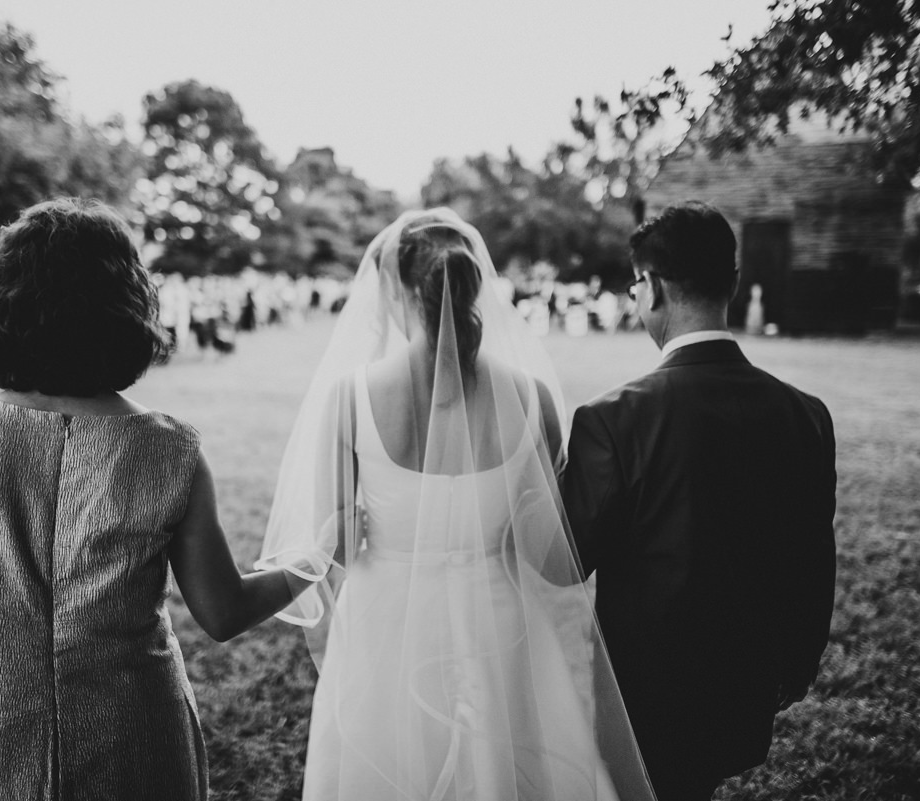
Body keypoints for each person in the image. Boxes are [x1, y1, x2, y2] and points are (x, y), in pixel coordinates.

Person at [0, 198, 310, 801]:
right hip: (137, 747)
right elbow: (223, 614)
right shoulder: (170, 450)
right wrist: (318, 557)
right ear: (125, 307)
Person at [256, 208, 656, 801]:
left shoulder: (350, 398)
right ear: (476, 287)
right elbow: (551, 548)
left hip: (383, 619)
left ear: (394, 288)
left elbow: (335, 543)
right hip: (499, 616)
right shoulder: (532, 397)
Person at [561, 201, 837, 801]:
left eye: (636, 287)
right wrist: (797, 662)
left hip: (645, 692)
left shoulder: (613, 419)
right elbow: (815, 557)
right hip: (747, 679)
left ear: (652, 288)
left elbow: (565, 559)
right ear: (734, 284)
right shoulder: (806, 414)